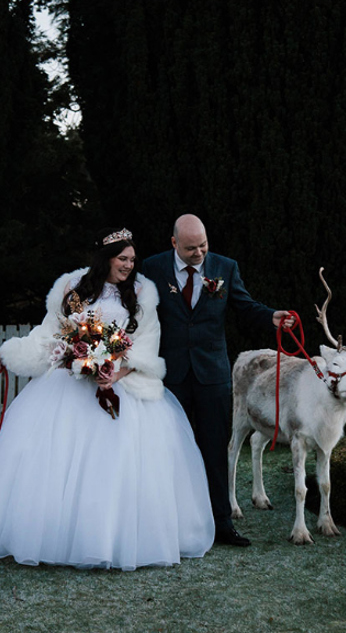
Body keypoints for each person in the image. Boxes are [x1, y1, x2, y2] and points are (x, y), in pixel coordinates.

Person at [0, 228, 215, 570]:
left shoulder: (140, 293)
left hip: (117, 387)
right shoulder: (74, 289)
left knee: (116, 465)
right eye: (123, 259)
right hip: (68, 384)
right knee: (53, 460)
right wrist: (13, 353)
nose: (128, 266)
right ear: (106, 258)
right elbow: (50, 331)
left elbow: (145, 342)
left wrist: (116, 373)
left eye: (132, 260)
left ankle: (108, 539)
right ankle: (52, 535)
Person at [141, 214, 291, 547]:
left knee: (214, 449)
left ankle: (222, 523)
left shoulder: (225, 267)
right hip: (171, 376)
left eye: (204, 245)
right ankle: (173, 523)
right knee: (172, 450)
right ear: (174, 244)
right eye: (191, 248)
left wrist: (271, 317)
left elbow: (244, 306)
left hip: (212, 376)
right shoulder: (152, 269)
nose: (199, 253)